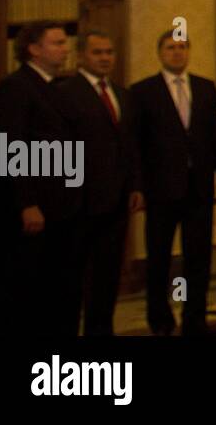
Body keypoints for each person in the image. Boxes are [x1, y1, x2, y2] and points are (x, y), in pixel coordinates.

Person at [131, 31, 216, 336]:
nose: (176, 53)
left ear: (189, 51)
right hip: (160, 188)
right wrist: (137, 186)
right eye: (170, 48)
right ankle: (160, 321)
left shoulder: (205, 87)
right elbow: (134, 144)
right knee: (159, 259)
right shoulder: (142, 91)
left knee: (198, 259)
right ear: (160, 52)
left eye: (182, 47)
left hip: (199, 186)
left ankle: (195, 320)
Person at [0, 22, 82, 336]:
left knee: (58, 293)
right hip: (31, 212)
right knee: (24, 297)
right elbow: (10, 149)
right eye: (57, 43)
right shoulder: (15, 87)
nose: (65, 49)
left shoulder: (54, 87)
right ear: (34, 49)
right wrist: (26, 203)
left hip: (61, 210)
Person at [59, 31, 142, 336]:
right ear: (81, 56)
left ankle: (101, 331)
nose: (105, 58)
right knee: (74, 276)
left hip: (117, 201)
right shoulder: (65, 93)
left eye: (109, 52)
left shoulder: (123, 95)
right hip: (78, 203)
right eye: (98, 53)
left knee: (107, 276)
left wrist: (135, 186)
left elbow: (130, 145)